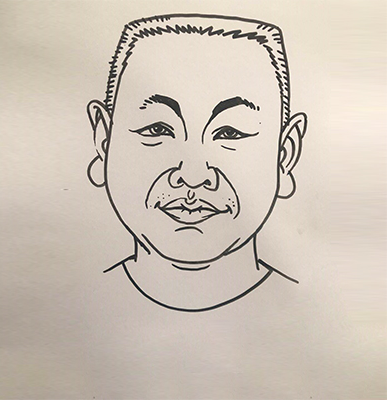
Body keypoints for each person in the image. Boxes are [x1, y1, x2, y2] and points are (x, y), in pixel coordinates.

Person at [86, 14, 308, 312]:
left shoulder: (314, 318)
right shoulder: (70, 306)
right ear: (104, 140)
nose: (193, 176)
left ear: (285, 154)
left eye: (230, 133)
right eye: (158, 129)